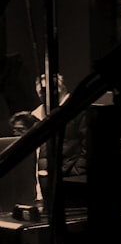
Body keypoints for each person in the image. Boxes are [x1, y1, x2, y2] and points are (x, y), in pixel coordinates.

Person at [32, 73, 88, 201]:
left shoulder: (77, 112)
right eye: (41, 91)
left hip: (68, 184)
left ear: (60, 88)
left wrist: (74, 172)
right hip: (44, 185)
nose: (44, 94)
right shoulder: (36, 116)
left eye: (48, 89)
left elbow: (89, 147)